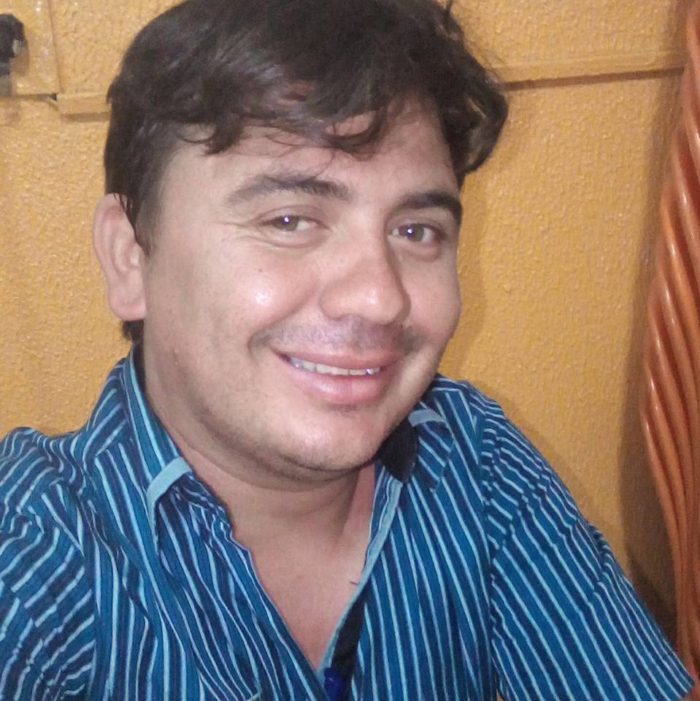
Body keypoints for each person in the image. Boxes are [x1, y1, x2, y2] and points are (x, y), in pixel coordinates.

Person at [0, 0, 693, 699]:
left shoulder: (473, 460)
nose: (380, 298)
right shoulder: (38, 549)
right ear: (130, 257)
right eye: (290, 219)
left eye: (416, 231)